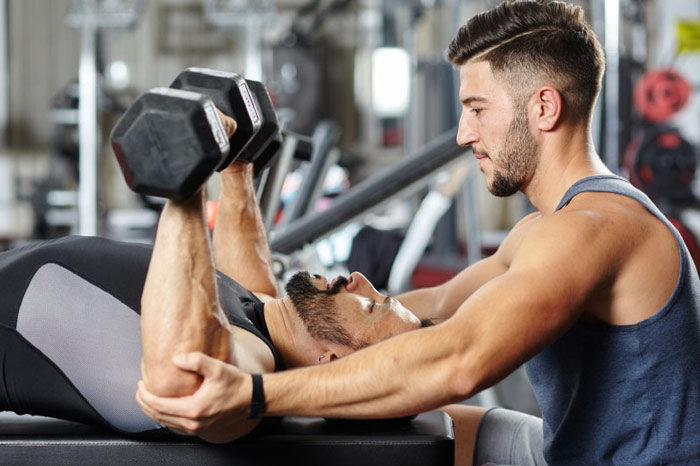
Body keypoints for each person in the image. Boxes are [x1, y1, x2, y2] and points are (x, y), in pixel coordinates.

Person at [135, 1, 700, 465]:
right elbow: (423, 311)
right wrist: (284, 323)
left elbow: (459, 361)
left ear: (544, 108)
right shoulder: (543, 230)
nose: (462, 134)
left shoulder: (592, 231)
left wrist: (256, 395)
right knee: (393, 422)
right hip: (561, 446)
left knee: (391, 415)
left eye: (477, 109)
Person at [0, 115, 424, 443]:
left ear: (333, 360)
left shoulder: (249, 371)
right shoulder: (261, 322)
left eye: (370, 305)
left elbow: (182, 377)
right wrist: (237, 164)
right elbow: (245, 269)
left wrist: (187, 180)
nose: (358, 279)